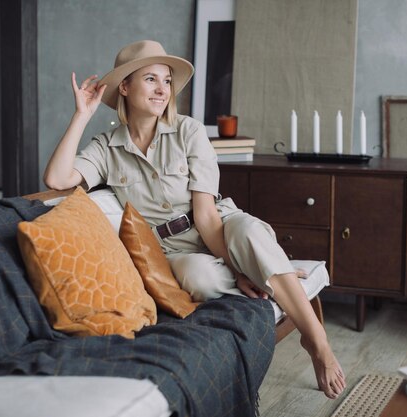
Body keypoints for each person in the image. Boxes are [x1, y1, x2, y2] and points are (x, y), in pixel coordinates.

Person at [44, 40, 346, 399]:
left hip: (217, 225)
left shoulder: (189, 130)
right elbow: (57, 180)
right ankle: (274, 268)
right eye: (151, 79)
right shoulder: (106, 147)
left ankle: (316, 342)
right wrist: (82, 115)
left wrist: (236, 268)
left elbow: (206, 215)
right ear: (124, 87)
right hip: (168, 250)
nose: (162, 90)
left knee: (248, 231)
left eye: (167, 81)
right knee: (197, 276)